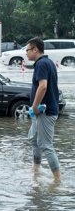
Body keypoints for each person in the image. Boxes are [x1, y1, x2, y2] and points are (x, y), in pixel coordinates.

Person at [25, 37, 61, 182]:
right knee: (34, 140)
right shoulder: (47, 62)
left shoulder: (41, 64)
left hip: (45, 112)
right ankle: (36, 168)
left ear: (35, 49)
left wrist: (34, 106)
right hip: (41, 112)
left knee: (46, 145)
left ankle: (58, 180)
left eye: (27, 50)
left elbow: (43, 86)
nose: (26, 53)